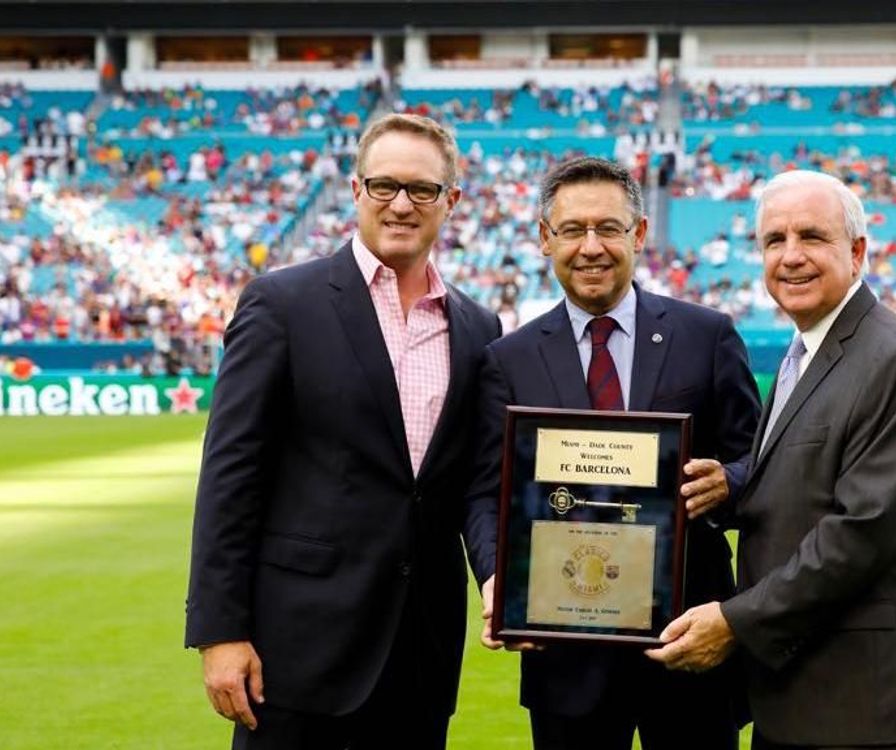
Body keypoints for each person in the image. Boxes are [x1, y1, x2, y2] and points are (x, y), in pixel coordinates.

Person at [185, 113, 502, 749]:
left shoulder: (479, 327)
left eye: (423, 189)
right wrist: (220, 632)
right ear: (356, 191)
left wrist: (500, 576)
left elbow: (477, 482)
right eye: (384, 185)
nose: (402, 204)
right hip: (296, 653)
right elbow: (230, 475)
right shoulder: (281, 304)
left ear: (453, 201)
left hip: (421, 655)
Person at [646, 170, 896, 749]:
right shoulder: (805, 352)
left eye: (811, 237)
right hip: (805, 694)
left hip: (874, 706)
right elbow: (803, 484)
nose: (790, 256)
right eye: (774, 240)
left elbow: (861, 533)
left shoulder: (894, 359)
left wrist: (734, 622)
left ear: (856, 252)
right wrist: (732, 487)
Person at [464, 156, 761, 750]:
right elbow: (483, 492)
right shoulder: (509, 359)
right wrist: (496, 574)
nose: (591, 247)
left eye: (609, 228)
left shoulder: (706, 336)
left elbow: (762, 461)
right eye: (572, 230)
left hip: (687, 645)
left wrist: (727, 481)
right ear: (546, 240)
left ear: (640, 235)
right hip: (564, 658)